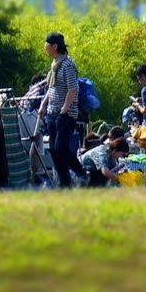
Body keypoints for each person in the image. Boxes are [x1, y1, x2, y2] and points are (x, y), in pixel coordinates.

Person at [39, 32, 84, 188]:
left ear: (54, 46)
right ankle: (65, 184)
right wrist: (43, 104)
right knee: (53, 150)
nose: (45, 47)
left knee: (61, 149)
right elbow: (51, 88)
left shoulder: (67, 65)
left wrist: (64, 110)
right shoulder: (54, 64)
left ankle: (81, 173)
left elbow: (73, 89)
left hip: (65, 114)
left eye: (46, 45)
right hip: (52, 112)